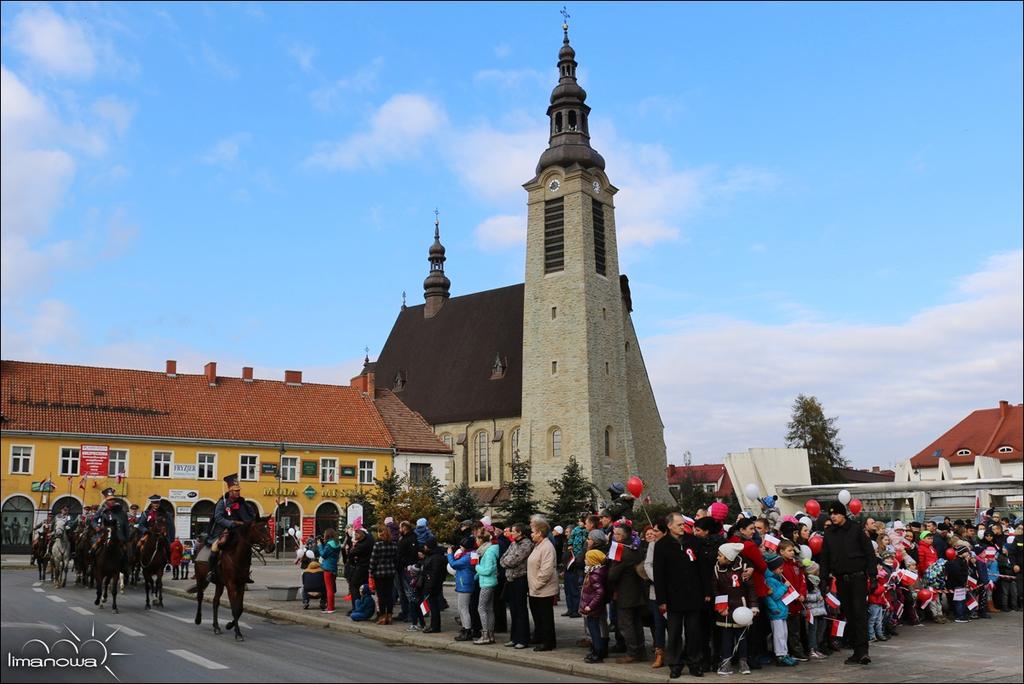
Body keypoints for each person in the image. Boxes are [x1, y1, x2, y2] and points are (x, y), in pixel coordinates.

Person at [818, 501, 875, 665]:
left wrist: (873, 576)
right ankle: (857, 651)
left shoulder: (856, 529)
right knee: (850, 614)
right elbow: (825, 558)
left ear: (843, 514)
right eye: (831, 514)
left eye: (836, 513)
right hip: (842, 580)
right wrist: (824, 578)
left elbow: (869, 553)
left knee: (859, 614)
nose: (833, 517)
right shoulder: (829, 533)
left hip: (858, 578)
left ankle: (863, 651)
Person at [655, 512, 709, 678]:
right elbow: (659, 574)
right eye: (679, 524)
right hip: (673, 597)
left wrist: (707, 591)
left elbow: (703, 568)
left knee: (694, 632)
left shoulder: (693, 541)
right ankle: (675, 664)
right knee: (674, 633)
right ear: (670, 525)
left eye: (683, 524)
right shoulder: (662, 545)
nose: (682, 527)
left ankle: (695, 663)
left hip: (694, 595)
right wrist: (661, 599)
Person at [193, 474, 253, 589]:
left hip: (237, 533)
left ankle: (246, 573)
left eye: (239, 490)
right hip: (221, 532)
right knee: (216, 546)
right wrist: (232, 523)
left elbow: (248, 516)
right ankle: (211, 571)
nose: (238, 493)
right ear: (230, 491)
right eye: (235, 491)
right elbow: (218, 518)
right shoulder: (222, 503)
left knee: (246, 548)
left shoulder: (242, 503)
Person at [713, 542, 757, 675]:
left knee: (741, 636)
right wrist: (721, 606)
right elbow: (715, 589)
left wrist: (754, 606)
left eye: (720, 556)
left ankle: (743, 662)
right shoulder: (716, 569)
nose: (717, 558)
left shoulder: (743, 568)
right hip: (725, 608)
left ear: (728, 557)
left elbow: (751, 588)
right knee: (726, 637)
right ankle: (726, 662)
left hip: (741, 607)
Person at [500, 523, 534, 649]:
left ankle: (523, 638)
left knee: (520, 610)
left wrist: (506, 562)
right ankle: (514, 637)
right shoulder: (513, 543)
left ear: (520, 532)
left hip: (520, 578)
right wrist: (505, 562)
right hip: (510, 579)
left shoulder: (526, 544)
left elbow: (513, 560)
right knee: (513, 610)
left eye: (513, 531)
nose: (511, 533)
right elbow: (503, 557)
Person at [527, 518, 558, 651]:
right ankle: (539, 636)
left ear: (540, 532)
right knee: (537, 616)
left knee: (545, 617)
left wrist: (537, 584)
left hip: (543, 589)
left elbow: (546, 570)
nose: (531, 534)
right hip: (534, 589)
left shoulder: (547, 547)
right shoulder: (538, 545)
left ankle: (548, 642)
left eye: (533, 531)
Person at [642, 522, 668, 669]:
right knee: (658, 624)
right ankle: (659, 653)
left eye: (656, 531)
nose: (653, 533)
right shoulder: (653, 545)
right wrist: (657, 579)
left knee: (674, 624)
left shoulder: (676, 544)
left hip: (674, 591)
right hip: (657, 590)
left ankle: (676, 651)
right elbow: (648, 564)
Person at [778, 539, 808, 661]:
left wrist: (801, 593)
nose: (792, 553)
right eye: (789, 550)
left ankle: (796, 650)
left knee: (795, 629)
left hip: (797, 603)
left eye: (792, 550)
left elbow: (802, 581)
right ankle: (791, 651)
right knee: (787, 631)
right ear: (781, 551)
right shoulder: (780, 566)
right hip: (786, 603)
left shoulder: (796, 565)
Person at [580, 549, 609, 663]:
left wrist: (590, 606)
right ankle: (596, 650)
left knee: (594, 630)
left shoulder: (594, 575)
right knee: (594, 629)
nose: (584, 560)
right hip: (593, 606)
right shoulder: (594, 572)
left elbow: (600, 592)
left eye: (587, 558)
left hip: (592, 607)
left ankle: (598, 652)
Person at [370, 523, 399, 625]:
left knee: (381, 596)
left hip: (379, 573)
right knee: (389, 595)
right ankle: (389, 615)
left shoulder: (377, 545)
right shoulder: (393, 545)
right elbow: (396, 559)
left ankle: (382, 616)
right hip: (390, 572)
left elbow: (373, 560)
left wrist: (371, 571)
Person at [421, 538, 447, 633]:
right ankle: (433, 625)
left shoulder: (436, 557)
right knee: (433, 605)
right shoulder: (434, 555)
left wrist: (431, 585)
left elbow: (435, 573)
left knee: (434, 606)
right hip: (432, 583)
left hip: (433, 585)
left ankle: (435, 626)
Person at [564, 517, 587, 618]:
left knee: (574, 590)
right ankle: (570, 609)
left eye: (568, 532)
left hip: (575, 568)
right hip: (567, 568)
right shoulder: (568, 542)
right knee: (568, 590)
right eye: (566, 532)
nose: (566, 534)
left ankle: (575, 610)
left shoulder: (578, 541)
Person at [347, 527, 373, 614]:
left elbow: (351, 554)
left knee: (354, 586)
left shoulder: (361, 545)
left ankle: (356, 607)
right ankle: (363, 605)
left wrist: (351, 551)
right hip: (367, 567)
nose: (355, 536)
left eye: (356, 534)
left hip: (361, 567)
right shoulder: (369, 539)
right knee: (364, 587)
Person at [318, 527, 342, 614]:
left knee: (329, 589)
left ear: (327, 535)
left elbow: (323, 555)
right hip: (334, 567)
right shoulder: (337, 543)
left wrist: (320, 546)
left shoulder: (329, 544)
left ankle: (330, 608)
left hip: (327, 568)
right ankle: (331, 606)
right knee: (331, 587)